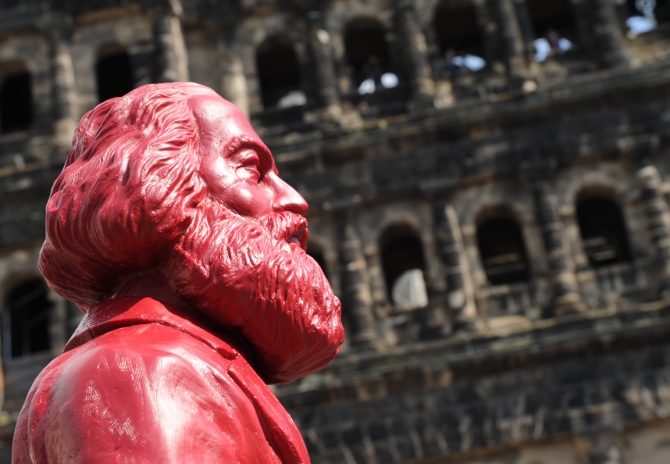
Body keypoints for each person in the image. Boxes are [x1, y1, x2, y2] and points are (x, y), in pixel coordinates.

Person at [12, 83, 344, 463]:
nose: (294, 199)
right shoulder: (143, 371)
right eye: (251, 169)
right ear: (162, 187)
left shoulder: (181, 364)